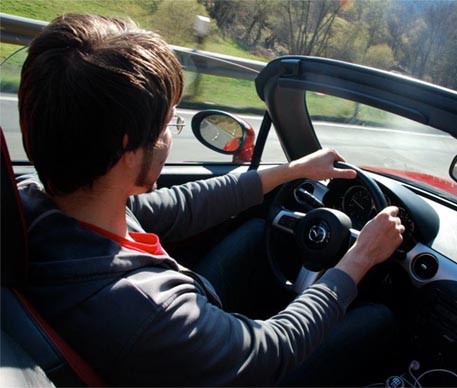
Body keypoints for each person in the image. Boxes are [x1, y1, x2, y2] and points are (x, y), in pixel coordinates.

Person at [17, 13, 405, 386]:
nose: (170, 136)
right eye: (168, 123)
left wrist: (293, 170)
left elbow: (184, 205)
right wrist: (359, 259)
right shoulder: (154, 312)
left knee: (255, 231)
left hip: (155, 348)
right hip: (227, 366)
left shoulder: (37, 199)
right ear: (127, 149)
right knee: (379, 319)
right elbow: (272, 351)